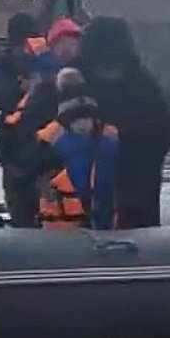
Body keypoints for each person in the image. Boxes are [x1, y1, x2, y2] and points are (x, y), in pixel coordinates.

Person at [74, 17, 170, 228]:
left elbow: (164, 133)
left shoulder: (146, 86)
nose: (109, 69)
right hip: (79, 209)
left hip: (135, 199)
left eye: (115, 62)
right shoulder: (68, 84)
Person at [23, 67, 119, 229]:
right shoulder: (111, 132)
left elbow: (27, 171)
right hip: (105, 228)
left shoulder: (50, 134)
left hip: (62, 231)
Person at [0, 11, 46, 227]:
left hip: (39, 150)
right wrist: (23, 90)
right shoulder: (5, 63)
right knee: (22, 205)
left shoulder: (44, 61)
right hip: (16, 149)